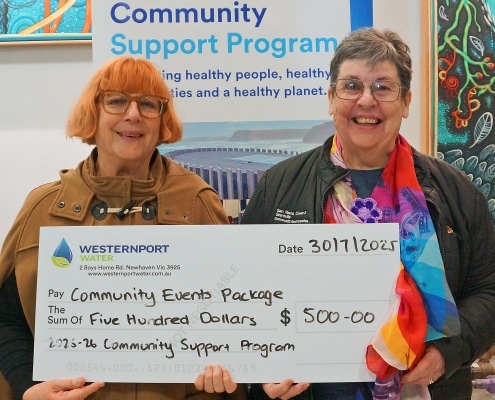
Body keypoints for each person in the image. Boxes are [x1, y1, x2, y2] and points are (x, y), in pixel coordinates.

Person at [241, 27, 495, 400]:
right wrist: (261, 370)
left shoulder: (455, 192)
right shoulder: (279, 185)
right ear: (331, 98)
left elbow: (488, 289)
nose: (366, 100)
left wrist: (447, 353)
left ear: (406, 102)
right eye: (351, 86)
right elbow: (245, 287)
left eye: (383, 88)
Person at [0, 56, 246, 400]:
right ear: (93, 112)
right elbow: (7, 319)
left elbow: (237, 314)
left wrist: (228, 365)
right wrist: (29, 388)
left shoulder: (197, 202)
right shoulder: (44, 208)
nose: (133, 114)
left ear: (162, 120)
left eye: (148, 104)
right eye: (116, 101)